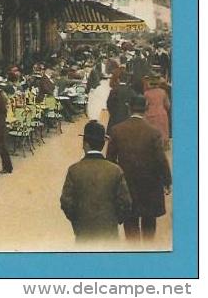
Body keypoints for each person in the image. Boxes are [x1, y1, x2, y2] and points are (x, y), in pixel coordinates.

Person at [107, 96, 172, 241]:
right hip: (150, 184)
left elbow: (110, 160)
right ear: (146, 108)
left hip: (127, 183)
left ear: (129, 107)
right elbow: (161, 160)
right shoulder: (154, 132)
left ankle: (134, 254)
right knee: (149, 221)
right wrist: (167, 181)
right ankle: (148, 252)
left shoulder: (117, 130)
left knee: (130, 221)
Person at [60, 121, 132, 243]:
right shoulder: (115, 170)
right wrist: (115, 220)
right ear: (103, 144)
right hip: (109, 232)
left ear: (85, 144)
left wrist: (77, 221)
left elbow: (66, 202)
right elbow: (126, 202)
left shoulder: (74, 170)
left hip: (83, 232)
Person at [143, 75, 171, 148]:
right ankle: (164, 145)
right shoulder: (163, 92)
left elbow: (145, 106)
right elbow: (167, 105)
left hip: (150, 114)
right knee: (163, 131)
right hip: (162, 113)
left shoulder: (146, 93)